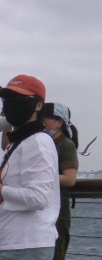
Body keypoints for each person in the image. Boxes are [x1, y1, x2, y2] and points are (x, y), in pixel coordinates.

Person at [0, 74, 60, 260]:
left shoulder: (38, 143)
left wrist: (2, 191)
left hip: (26, 246)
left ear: (39, 105)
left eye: (19, 98)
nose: (10, 103)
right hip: (16, 243)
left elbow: (38, 197)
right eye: (7, 98)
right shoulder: (20, 142)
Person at [42, 103, 79, 260]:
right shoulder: (44, 143)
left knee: (57, 249)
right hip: (44, 205)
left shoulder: (66, 145)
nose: (42, 120)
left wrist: (39, 179)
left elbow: (70, 179)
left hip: (58, 210)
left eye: (47, 117)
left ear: (59, 122)